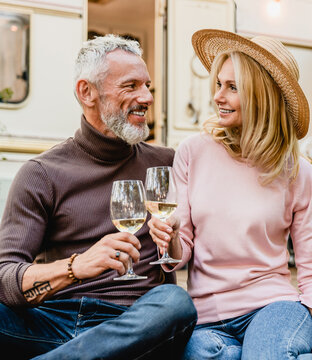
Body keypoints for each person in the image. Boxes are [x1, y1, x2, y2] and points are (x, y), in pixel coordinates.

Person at [149, 29, 312, 359]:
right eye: (218, 84)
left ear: (262, 97)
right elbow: (179, 253)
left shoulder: (297, 172)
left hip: (274, 309)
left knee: (263, 355)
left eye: (233, 88)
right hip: (207, 319)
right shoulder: (191, 153)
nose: (218, 97)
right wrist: (169, 237)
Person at [0, 34, 197, 359]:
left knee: (176, 303)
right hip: (56, 322)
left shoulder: (165, 162)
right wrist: (75, 267)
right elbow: (6, 275)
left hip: (139, 321)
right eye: (131, 85)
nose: (146, 97)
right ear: (86, 92)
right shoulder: (42, 173)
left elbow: (177, 259)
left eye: (148, 86)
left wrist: (174, 237)